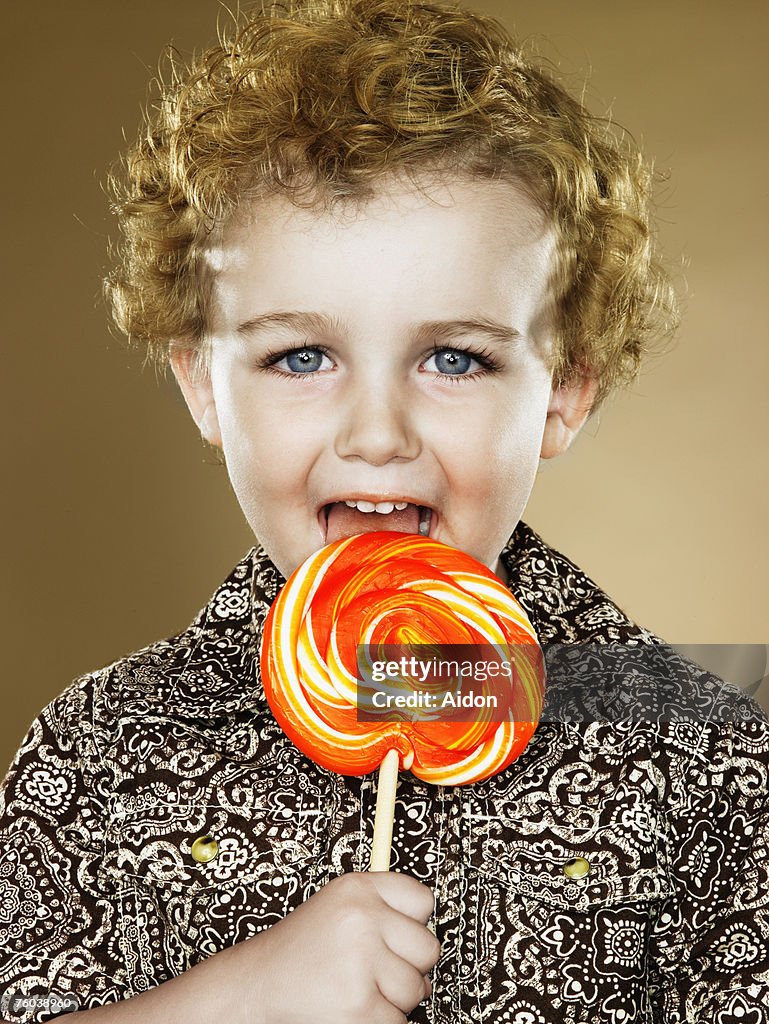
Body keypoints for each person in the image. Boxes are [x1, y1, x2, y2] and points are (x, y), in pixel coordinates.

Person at [1, 0, 767, 1021]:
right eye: (300, 356)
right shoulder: (96, 752)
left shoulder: (707, 760)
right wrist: (241, 1003)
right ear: (201, 385)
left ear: (565, 390)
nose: (375, 434)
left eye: (453, 357)